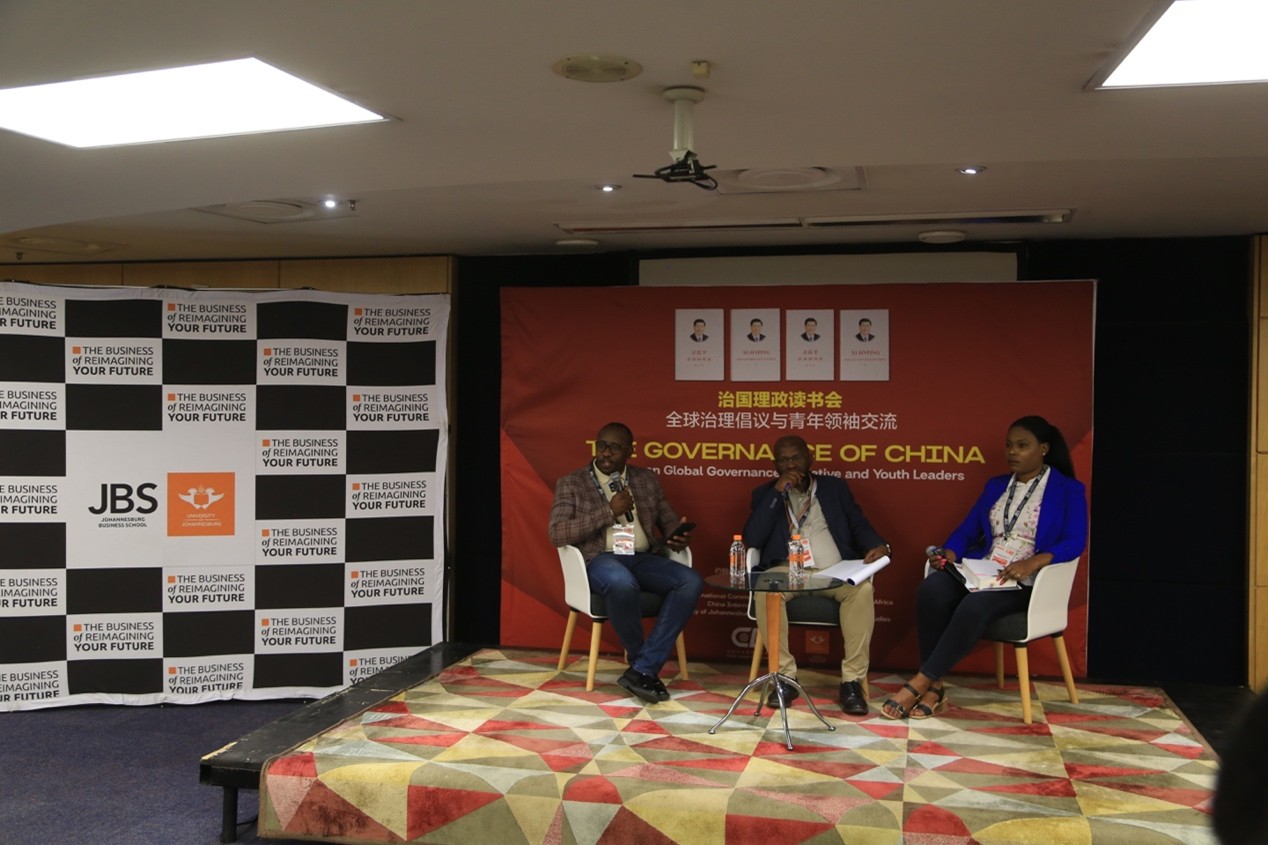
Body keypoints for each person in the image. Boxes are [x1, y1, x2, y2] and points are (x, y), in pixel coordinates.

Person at [881, 415, 1088, 720]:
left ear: (1043, 448)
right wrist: (949, 553)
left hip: (1027, 581)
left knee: (974, 605)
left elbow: (1075, 541)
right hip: (985, 571)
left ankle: (922, 681)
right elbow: (968, 531)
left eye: (1022, 445)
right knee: (932, 588)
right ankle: (935, 686)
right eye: (1009, 445)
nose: (1012, 452)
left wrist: (1032, 562)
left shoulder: (1068, 489)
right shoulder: (996, 486)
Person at [548, 422, 703, 704]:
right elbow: (557, 533)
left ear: (630, 451)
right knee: (621, 582)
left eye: (615, 447)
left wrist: (677, 535)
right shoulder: (572, 483)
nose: (606, 453)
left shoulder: (645, 479)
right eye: (601, 445)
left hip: (642, 557)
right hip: (600, 559)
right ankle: (643, 664)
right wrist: (608, 511)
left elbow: (668, 519)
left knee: (690, 580)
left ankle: (642, 668)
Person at [742, 434, 890, 716]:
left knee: (862, 591)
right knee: (765, 589)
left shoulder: (834, 488)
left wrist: (877, 544)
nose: (790, 465)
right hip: (787, 570)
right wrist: (776, 494)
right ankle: (784, 677)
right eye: (783, 460)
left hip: (833, 570)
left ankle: (852, 682)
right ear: (775, 465)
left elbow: (858, 524)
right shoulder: (765, 494)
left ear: (810, 458)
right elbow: (754, 538)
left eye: (796, 458)